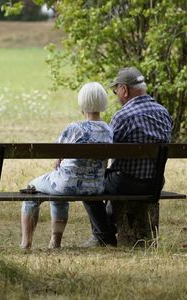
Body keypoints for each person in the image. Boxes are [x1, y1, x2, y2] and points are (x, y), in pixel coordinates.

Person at [83, 67, 173, 247]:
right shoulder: (163, 112)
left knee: (88, 184)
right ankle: (109, 227)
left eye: (116, 90)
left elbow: (104, 150)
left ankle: (103, 235)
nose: (116, 95)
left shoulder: (123, 116)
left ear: (124, 89)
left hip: (126, 182)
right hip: (154, 183)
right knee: (112, 179)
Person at [20, 82, 113, 249]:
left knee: (31, 188)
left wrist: (60, 159)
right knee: (57, 191)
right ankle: (55, 242)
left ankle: (26, 243)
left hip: (66, 184)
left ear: (82, 103)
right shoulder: (109, 130)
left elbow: (56, 153)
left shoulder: (74, 128)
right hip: (95, 187)